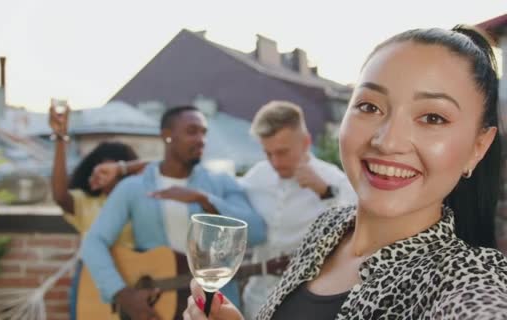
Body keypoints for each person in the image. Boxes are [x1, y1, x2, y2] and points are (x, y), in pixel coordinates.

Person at [183, 25, 507, 320]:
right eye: (370, 107)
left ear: (479, 146)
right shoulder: (328, 230)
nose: (388, 141)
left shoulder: (467, 281)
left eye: (433, 118)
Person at [82, 105, 267, 320]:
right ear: (167, 136)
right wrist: (122, 294)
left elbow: (256, 232)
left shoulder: (222, 183)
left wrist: (204, 199)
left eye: (203, 132)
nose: (201, 139)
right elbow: (94, 241)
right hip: (156, 306)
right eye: (192, 131)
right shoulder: (133, 187)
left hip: (214, 307)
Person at [239, 100, 356, 319]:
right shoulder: (255, 177)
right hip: (255, 300)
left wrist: (325, 192)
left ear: (305, 142)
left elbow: (355, 234)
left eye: (282, 152)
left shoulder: (336, 182)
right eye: (268, 153)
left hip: (302, 305)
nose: (275, 162)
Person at [48, 104, 142, 320]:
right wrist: (61, 138)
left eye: (112, 172)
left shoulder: (138, 202)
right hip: (93, 282)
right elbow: (61, 195)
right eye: (100, 170)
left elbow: (159, 169)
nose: (105, 177)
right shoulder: (87, 203)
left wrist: (124, 168)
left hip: (135, 281)